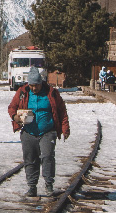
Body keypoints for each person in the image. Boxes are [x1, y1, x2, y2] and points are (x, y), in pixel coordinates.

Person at [8, 67, 70, 198]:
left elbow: (61, 111)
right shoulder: (22, 92)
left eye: (35, 85)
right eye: (31, 85)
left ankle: (49, 185)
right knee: (30, 159)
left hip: (47, 131)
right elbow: (12, 107)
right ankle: (32, 187)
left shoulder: (51, 93)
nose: (33, 88)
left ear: (41, 83)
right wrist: (15, 117)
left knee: (47, 156)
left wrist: (65, 128)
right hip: (28, 132)